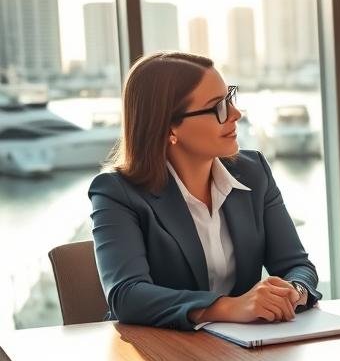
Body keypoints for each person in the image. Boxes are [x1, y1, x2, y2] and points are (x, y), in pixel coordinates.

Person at [89, 52, 321, 330]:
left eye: (230, 98)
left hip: (243, 349)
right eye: (218, 107)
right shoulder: (116, 192)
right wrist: (228, 307)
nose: (235, 114)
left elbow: (297, 265)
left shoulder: (254, 171)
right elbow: (126, 295)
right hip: (157, 354)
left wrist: (293, 292)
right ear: (168, 126)